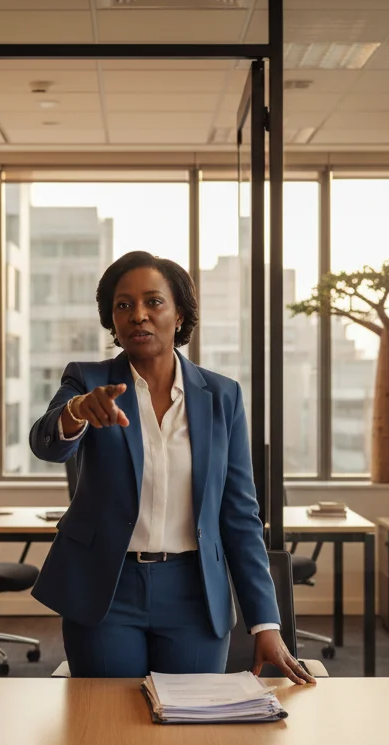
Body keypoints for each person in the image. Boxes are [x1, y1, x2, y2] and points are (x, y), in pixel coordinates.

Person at [29, 249, 314, 684]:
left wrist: (266, 622)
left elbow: (240, 516)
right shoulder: (87, 381)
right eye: (123, 305)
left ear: (179, 314)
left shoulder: (223, 397)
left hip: (193, 592)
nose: (137, 315)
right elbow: (47, 443)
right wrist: (78, 411)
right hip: (107, 587)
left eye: (153, 302)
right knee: (108, 729)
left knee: (192, 733)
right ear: (112, 320)